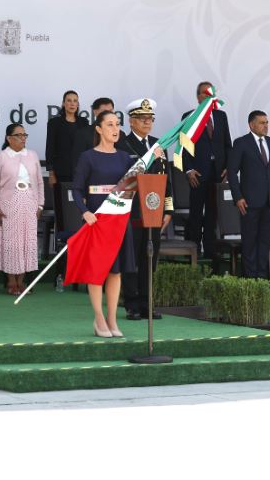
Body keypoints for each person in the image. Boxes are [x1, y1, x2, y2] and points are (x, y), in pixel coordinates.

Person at [70, 111, 135, 338]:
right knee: (97, 270)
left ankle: (112, 319)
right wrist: (85, 211)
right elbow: (76, 189)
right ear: (98, 129)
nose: (115, 129)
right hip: (97, 219)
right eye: (109, 124)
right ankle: (98, 319)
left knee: (115, 271)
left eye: (117, 124)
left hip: (118, 219)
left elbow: (131, 185)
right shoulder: (88, 157)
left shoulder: (125, 158)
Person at [116, 98, 173, 320]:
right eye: (142, 119)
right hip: (132, 210)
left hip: (154, 209)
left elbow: (165, 179)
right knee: (132, 257)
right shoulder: (123, 144)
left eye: (150, 119)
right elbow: (122, 178)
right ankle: (131, 304)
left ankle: (148, 303)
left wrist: (168, 209)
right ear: (131, 122)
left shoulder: (159, 145)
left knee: (150, 257)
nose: (148, 122)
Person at [0, 123, 44, 296]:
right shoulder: (1, 157)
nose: (22, 138)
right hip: (9, 205)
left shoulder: (32, 155)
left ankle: (22, 281)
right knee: (12, 243)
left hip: (29, 202)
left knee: (27, 242)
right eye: (18, 135)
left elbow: (40, 182)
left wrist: (40, 204)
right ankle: (11, 281)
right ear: (9, 138)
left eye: (24, 135)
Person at [228, 110, 270, 279]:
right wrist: (238, 197)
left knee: (264, 241)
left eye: (267, 122)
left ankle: (262, 277)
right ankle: (250, 278)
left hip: (269, 202)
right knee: (250, 242)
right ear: (251, 124)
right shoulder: (241, 143)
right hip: (249, 203)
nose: (266, 126)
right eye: (262, 122)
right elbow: (232, 172)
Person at [182, 81, 232, 259]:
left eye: (211, 94)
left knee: (213, 213)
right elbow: (183, 147)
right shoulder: (189, 117)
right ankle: (194, 250)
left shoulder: (221, 116)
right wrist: (188, 170)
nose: (207, 96)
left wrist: (228, 167)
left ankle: (211, 250)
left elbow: (227, 144)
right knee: (196, 213)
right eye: (204, 93)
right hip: (198, 173)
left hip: (217, 173)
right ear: (198, 97)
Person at [45, 90, 88, 186]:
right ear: (63, 103)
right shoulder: (54, 123)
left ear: (78, 104)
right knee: (61, 200)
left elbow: (87, 147)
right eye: (69, 100)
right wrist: (51, 173)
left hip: (81, 171)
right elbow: (50, 147)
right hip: (61, 171)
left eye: (75, 101)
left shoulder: (84, 122)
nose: (72, 104)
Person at [70, 97, 115, 177]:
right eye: (105, 112)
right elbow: (78, 163)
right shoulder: (83, 134)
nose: (109, 115)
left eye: (111, 111)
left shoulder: (120, 134)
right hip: (91, 183)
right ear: (95, 112)